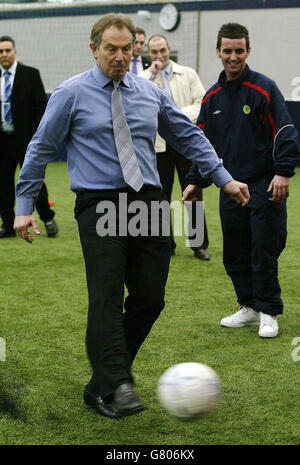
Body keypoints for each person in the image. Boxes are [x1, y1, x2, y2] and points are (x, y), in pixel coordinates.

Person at [14, 14, 249, 419]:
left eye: (127, 49)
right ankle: (118, 384)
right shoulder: (70, 94)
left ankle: (100, 382)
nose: (121, 56)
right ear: (94, 49)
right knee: (105, 298)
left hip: (149, 202)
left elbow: (187, 134)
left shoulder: (149, 92)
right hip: (99, 204)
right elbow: (38, 149)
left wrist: (223, 177)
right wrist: (23, 208)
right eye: (112, 49)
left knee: (150, 299)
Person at [184, 23, 300, 338]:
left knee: (263, 249)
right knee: (235, 252)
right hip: (231, 188)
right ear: (218, 52)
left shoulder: (264, 88)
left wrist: (283, 171)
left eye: (239, 50)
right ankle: (247, 307)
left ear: (248, 51)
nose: (233, 57)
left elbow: (286, 131)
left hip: (265, 185)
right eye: (227, 51)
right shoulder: (212, 97)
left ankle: (269, 311)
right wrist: (195, 179)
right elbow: (202, 144)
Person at [140, 34, 210, 260]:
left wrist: (177, 118)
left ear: (169, 49)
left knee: (193, 194)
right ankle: (165, 244)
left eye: (162, 50)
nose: (159, 55)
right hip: (159, 147)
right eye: (154, 52)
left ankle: (199, 245)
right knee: (160, 197)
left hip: (185, 144)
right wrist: (150, 74)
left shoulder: (188, 74)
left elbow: (201, 103)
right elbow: (135, 98)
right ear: (148, 54)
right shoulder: (143, 78)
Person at [0, 36, 58, 238]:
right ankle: (7, 225)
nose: (4, 54)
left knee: (34, 180)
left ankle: (48, 218)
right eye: (1, 51)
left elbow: (42, 106)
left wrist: (37, 131)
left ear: (14, 52)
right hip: (2, 141)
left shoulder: (30, 74)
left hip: (26, 139)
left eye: (8, 50)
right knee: (3, 183)